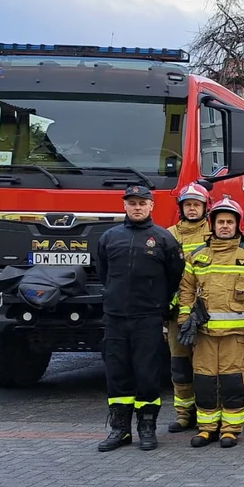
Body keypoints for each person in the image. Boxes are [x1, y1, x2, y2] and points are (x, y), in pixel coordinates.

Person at [95, 185, 184, 452]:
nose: (137, 207)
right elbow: (104, 273)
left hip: (147, 318)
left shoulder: (164, 239)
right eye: (132, 203)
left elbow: (175, 276)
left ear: (151, 206)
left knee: (147, 374)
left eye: (142, 203)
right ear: (124, 206)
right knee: (117, 374)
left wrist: (159, 304)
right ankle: (120, 430)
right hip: (115, 318)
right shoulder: (109, 238)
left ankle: (147, 427)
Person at [176, 198, 244, 448]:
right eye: (221, 222)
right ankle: (207, 428)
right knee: (205, 381)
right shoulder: (198, 256)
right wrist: (186, 321)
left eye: (230, 222)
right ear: (213, 224)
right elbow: (186, 290)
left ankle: (230, 429)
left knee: (232, 382)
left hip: (236, 336)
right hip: (204, 335)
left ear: (238, 225)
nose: (225, 226)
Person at [165, 182, 210, 433]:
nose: (192, 209)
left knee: (205, 366)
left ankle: (207, 413)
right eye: (188, 205)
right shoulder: (168, 235)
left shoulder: (216, 233)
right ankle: (184, 414)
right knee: (180, 365)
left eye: (196, 204)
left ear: (206, 207)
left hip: (206, 313)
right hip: (177, 313)